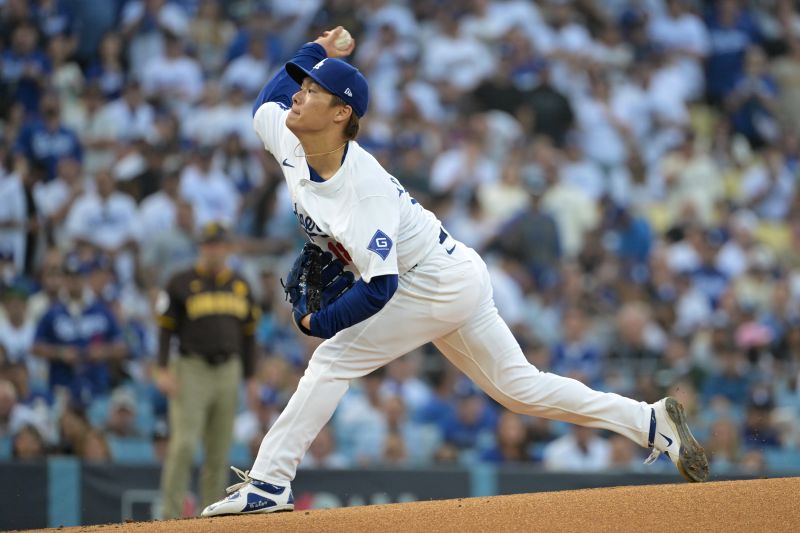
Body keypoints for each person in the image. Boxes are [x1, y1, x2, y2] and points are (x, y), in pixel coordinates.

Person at [201, 26, 709, 517]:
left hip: (429, 280)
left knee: (331, 361)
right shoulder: (290, 136)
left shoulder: (365, 192)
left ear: (341, 114)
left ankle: (269, 482)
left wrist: (320, 324)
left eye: (313, 91)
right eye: (304, 85)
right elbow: (263, 101)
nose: (298, 95)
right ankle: (649, 421)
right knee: (519, 390)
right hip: (453, 270)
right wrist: (316, 50)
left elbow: (381, 289)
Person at [156, 221, 260, 519]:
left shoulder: (240, 285)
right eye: (208, 244)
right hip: (192, 368)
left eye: (219, 245)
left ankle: (211, 519)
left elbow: (249, 336)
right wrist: (162, 369)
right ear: (200, 247)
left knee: (218, 451)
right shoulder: (180, 282)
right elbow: (165, 329)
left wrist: (250, 378)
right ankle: (169, 517)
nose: (214, 250)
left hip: (229, 369)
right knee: (184, 445)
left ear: (228, 248)